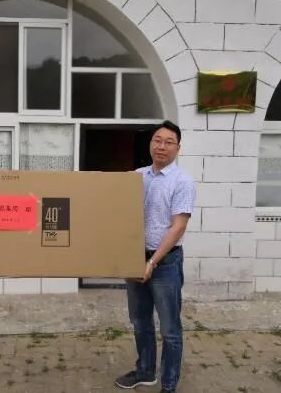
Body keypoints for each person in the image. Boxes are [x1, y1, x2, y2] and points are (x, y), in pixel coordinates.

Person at [115, 120, 196, 393]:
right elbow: (120, 212)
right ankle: (145, 371)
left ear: (178, 148)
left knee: (170, 330)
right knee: (140, 322)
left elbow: (178, 226)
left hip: (166, 263)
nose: (162, 146)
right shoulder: (137, 176)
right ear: (150, 144)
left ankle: (169, 385)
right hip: (135, 259)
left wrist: (152, 262)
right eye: (157, 140)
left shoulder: (182, 182)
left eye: (169, 142)